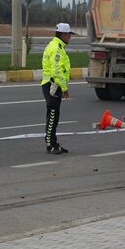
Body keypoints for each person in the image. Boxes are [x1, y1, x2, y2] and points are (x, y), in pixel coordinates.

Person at [41, 22, 74, 154]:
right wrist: (65, 88)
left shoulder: (55, 45)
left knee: (54, 116)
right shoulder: (57, 48)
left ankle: (53, 142)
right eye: (69, 35)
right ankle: (50, 144)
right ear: (63, 34)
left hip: (52, 84)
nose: (70, 38)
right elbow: (57, 72)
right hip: (53, 85)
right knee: (53, 115)